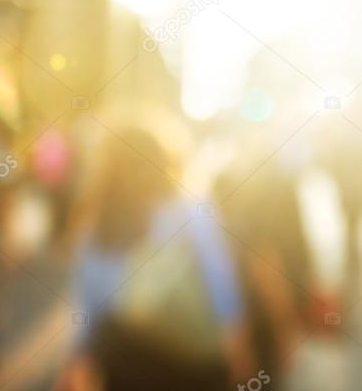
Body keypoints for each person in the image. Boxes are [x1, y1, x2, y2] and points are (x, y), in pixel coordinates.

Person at [61, 125, 252, 390]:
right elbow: (220, 281)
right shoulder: (191, 210)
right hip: (193, 361)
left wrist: (80, 360)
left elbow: (89, 307)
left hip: (126, 363)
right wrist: (237, 346)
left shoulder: (94, 227)